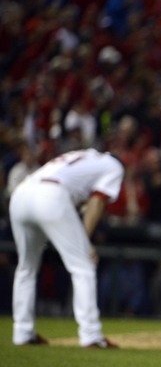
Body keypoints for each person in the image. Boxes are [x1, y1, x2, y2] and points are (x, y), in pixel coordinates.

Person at [10, 148, 124, 347]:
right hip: (51, 195)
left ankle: (22, 332)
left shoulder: (85, 155)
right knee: (83, 265)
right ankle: (91, 335)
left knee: (26, 268)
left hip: (22, 193)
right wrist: (85, 242)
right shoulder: (114, 165)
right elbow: (97, 201)